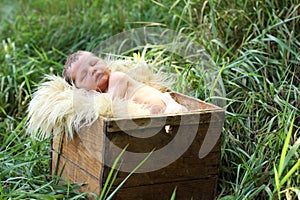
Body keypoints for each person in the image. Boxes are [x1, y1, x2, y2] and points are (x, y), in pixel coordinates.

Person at [63, 50, 187, 116]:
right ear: (79, 89)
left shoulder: (117, 78)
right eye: (84, 75)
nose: (93, 70)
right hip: (155, 117)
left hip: (168, 107)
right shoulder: (102, 90)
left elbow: (111, 104)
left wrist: (91, 96)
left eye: (94, 63)